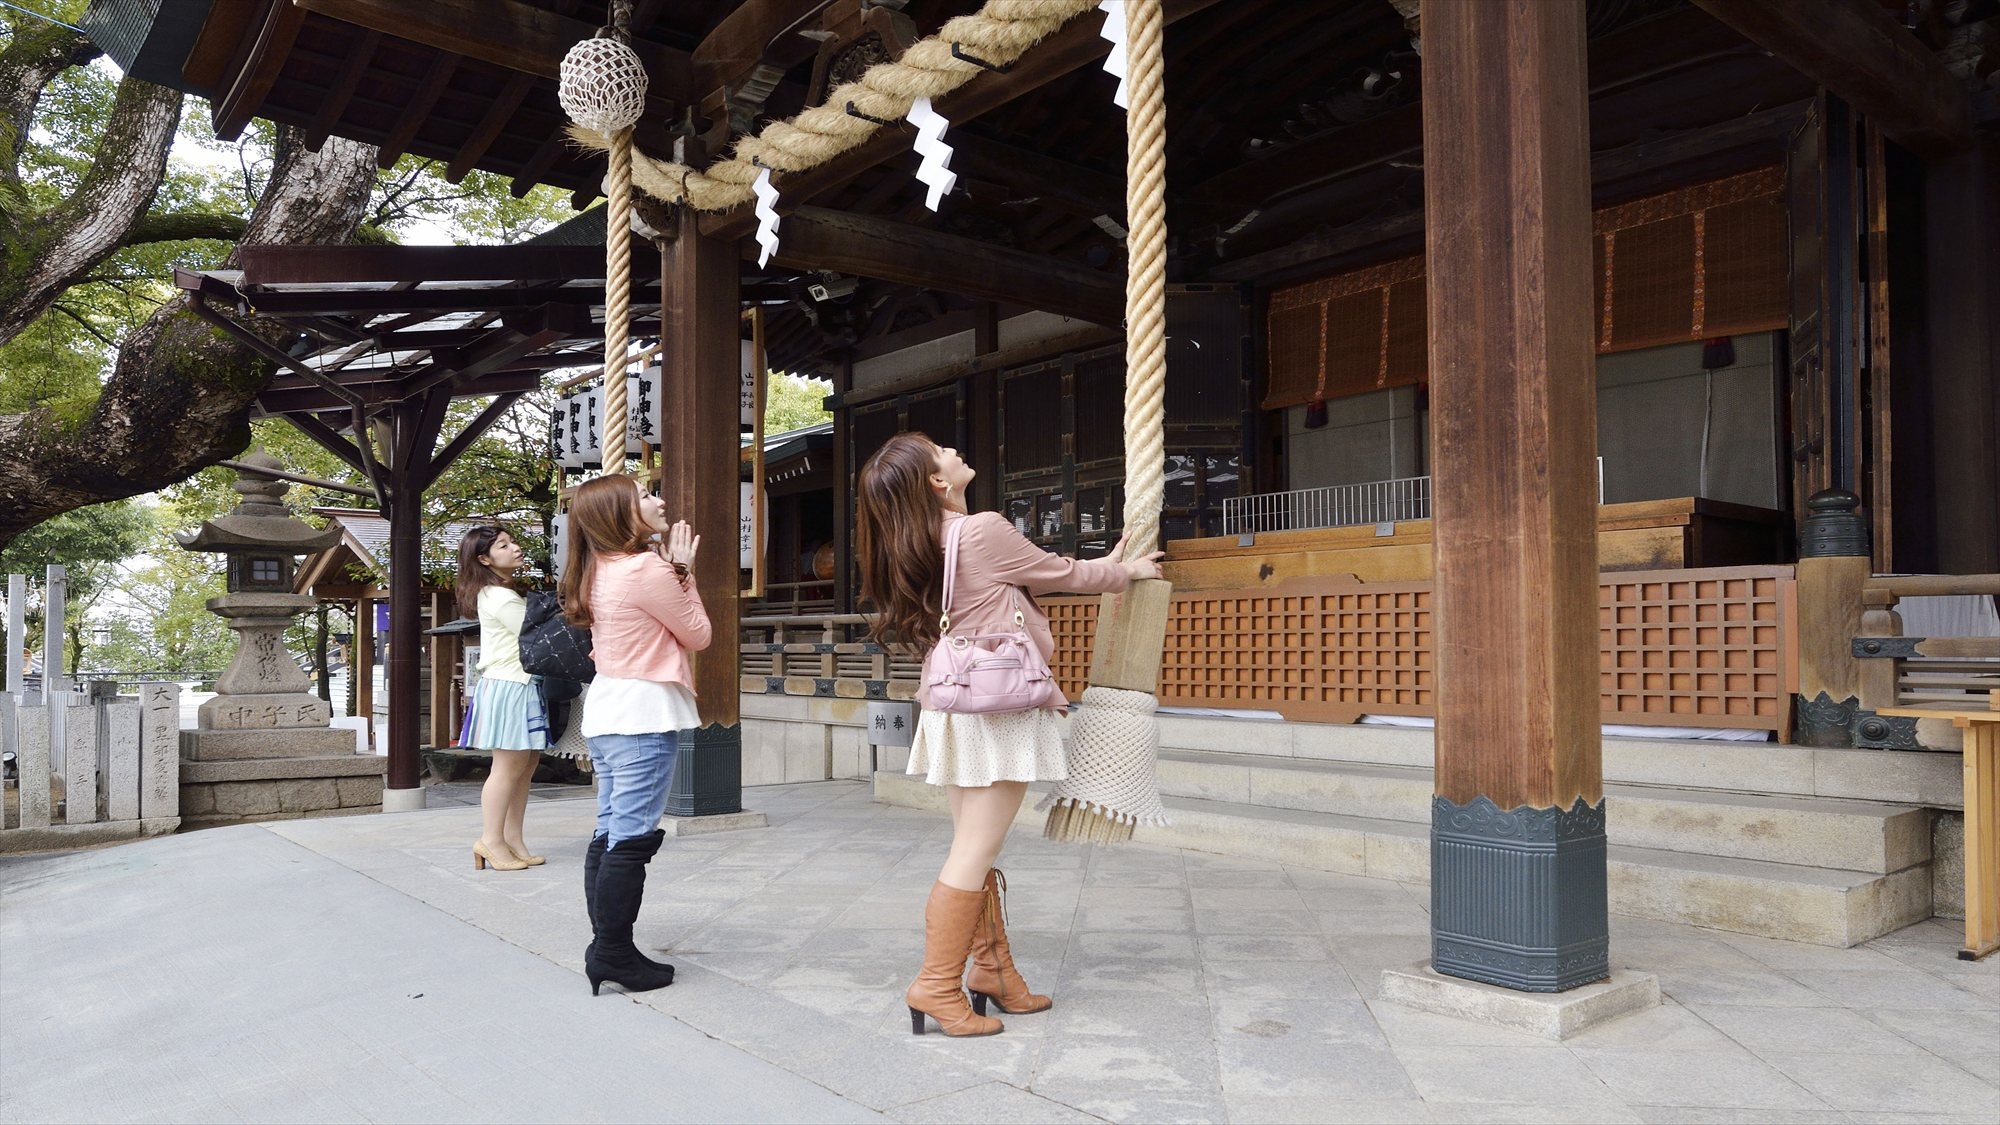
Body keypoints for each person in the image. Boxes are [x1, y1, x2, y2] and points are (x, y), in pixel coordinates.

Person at [855, 433, 1162, 1037]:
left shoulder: (919, 543)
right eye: (939, 450)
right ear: (936, 482)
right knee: (974, 852)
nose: (953, 450)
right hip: (999, 706)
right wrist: (1126, 570)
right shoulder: (982, 530)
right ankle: (938, 985)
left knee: (973, 846)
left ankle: (992, 972)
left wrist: (1109, 568)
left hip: (954, 710)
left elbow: (1033, 578)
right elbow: (1060, 573)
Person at [559, 473, 709, 995]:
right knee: (630, 839)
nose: (660, 499)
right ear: (622, 515)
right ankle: (614, 953)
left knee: (611, 831)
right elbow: (699, 634)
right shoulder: (646, 568)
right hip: (643, 713)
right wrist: (684, 572)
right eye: (646, 496)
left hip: (607, 711)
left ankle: (607, 946)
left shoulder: (595, 568)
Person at [454, 526, 547, 873]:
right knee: (508, 769)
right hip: (511, 686)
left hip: (516, 685)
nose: (516, 548)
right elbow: (535, 636)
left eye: (512, 542)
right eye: (504, 546)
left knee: (523, 767)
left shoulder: (499, 592)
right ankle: (491, 840)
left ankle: (512, 838)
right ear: (484, 559)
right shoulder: (499, 596)